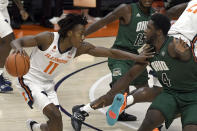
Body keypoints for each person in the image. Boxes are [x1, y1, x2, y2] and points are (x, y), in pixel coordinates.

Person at [10, 13, 153, 131]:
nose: (83, 37)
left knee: (55, 125)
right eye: (81, 33)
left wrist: (137, 57)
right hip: (29, 79)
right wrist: (18, 48)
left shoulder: (79, 48)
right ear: (70, 32)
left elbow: (111, 52)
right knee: (55, 115)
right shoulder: (48, 38)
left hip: (48, 84)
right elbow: (18, 41)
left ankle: (35, 127)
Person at [71, 0, 188, 130]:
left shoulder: (154, 15)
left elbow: (160, 33)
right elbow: (103, 21)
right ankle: (82, 110)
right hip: (120, 55)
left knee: (145, 92)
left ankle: (129, 114)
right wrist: (82, 36)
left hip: (138, 55)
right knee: (119, 92)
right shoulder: (127, 9)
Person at [105, 13, 197, 131]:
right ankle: (129, 103)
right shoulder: (159, 46)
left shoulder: (175, 43)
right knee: (153, 112)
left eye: (148, 28)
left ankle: (127, 101)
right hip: (172, 87)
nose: (144, 30)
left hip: (189, 89)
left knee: (157, 92)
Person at [0, 0, 28, 93]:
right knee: (8, 39)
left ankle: (0, 74)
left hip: (3, 8)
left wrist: (21, 9)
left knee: (2, 41)